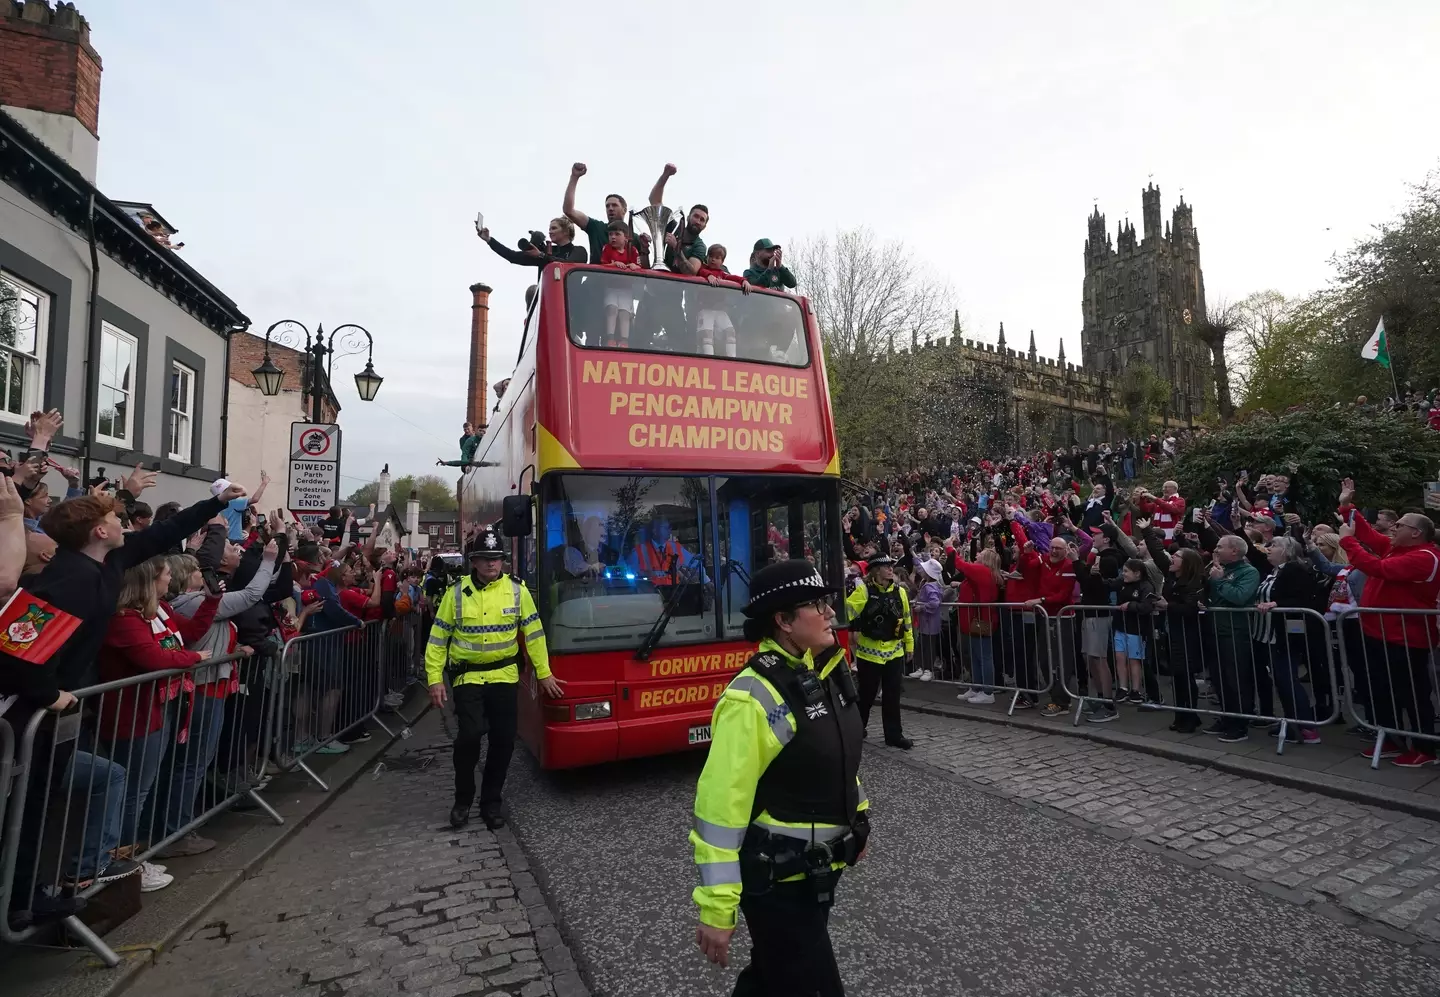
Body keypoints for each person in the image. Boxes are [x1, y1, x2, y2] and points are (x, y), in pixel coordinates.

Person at [690, 559, 868, 996]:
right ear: (784, 622)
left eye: (827, 600)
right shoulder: (752, 698)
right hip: (780, 884)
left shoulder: (820, 671)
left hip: (816, 872)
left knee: (773, 979)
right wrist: (717, 908)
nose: (829, 612)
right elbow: (719, 809)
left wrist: (857, 820)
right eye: (815, 604)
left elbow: (835, 760)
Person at [425, 526, 565, 830]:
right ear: (474, 561)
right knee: (470, 737)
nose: (492, 563)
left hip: (504, 676)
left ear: (503, 561)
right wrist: (435, 679)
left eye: (497, 558)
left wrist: (544, 673)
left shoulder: (517, 590)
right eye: (486, 558)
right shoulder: (455, 593)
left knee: (503, 742)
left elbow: (535, 633)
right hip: (468, 678)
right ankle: (463, 800)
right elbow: (438, 639)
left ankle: (491, 802)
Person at [1337, 477, 1440, 767]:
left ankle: (1424, 748)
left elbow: (1375, 567)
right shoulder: (1400, 548)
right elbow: (1369, 536)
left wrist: (1346, 539)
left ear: (1416, 533)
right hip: (1380, 632)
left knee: (1411, 693)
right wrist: (1347, 506)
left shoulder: (1424, 556)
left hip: (1406, 637)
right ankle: (1392, 739)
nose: (1393, 528)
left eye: (1400, 525)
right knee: (1381, 689)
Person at [845, 554, 914, 748]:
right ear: (876, 571)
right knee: (866, 696)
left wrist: (909, 645)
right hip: (869, 655)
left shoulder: (900, 592)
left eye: (891, 566)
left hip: (894, 653)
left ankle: (894, 736)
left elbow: (906, 619)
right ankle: (856, 730)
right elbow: (847, 610)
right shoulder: (864, 591)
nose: (890, 569)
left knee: (892, 696)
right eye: (886, 566)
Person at [1205, 535, 1261, 743]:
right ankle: (1227, 716)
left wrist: (1219, 582)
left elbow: (1240, 597)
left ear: (1234, 551)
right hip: (1216, 630)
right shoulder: (1219, 569)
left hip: (1236, 633)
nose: (1216, 550)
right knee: (1219, 679)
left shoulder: (1248, 572)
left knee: (1236, 679)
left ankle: (1240, 723)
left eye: (1220, 547)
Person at [562, 162, 649, 266]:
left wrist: (645, 248)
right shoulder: (596, 227)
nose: (610, 208)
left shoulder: (634, 238)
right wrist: (574, 177)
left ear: (624, 210)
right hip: (597, 281)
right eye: (607, 206)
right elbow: (569, 210)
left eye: (614, 205)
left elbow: (644, 268)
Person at [648, 163, 708, 275]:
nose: (698, 221)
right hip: (657, 282)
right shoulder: (673, 226)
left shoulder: (699, 246)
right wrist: (665, 175)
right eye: (695, 216)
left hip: (680, 291)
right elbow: (654, 201)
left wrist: (676, 247)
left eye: (702, 220)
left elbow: (691, 273)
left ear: (704, 226)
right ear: (688, 217)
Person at [694, 244, 753, 357]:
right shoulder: (703, 270)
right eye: (711, 256)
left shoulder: (722, 274)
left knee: (730, 332)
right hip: (705, 310)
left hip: (719, 310)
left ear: (722, 261)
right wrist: (709, 276)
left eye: (717, 257)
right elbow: (700, 271)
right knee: (707, 335)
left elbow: (734, 278)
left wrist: (744, 281)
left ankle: (731, 358)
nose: (713, 259)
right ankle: (708, 358)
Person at [477, 217, 587, 269]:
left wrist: (541, 255)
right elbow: (513, 256)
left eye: (554, 228)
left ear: (566, 231)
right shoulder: (546, 252)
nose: (550, 231)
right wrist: (489, 240)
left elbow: (569, 265)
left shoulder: (579, 251)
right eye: (549, 229)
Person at [629, 516, 707, 586]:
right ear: (655, 531)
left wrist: (707, 582)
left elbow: (696, 565)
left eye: (670, 528)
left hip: (673, 595)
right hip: (650, 596)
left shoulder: (676, 548)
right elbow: (629, 575)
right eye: (666, 528)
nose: (670, 530)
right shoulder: (639, 551)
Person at [600, 221, 643, 348]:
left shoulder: (632, 250)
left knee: (624, 313)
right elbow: (602, 265)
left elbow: (639, 267)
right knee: (611, 309)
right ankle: (610, 338)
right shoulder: (607, 249)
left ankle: (624, 340)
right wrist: (613, 265)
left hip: (626, 288)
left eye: (617, 234)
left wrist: (634, 266)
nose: (612, 237)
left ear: (626, 237)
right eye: (610, 234)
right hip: (611, 287)